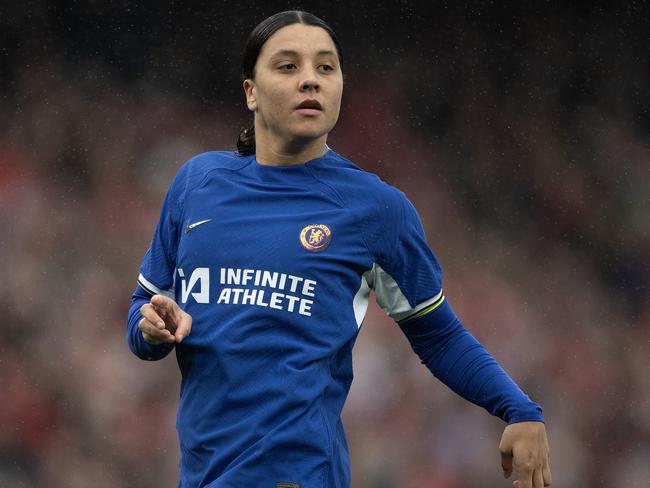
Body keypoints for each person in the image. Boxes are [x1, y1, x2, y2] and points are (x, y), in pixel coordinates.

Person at [126, 10, 552, 488]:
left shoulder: (376, 209)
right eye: (288, 66)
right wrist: (152, 330)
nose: (310, 80)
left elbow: (437, 335)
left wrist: (519, 409)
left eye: (325, 68)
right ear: (250, 91)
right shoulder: (197, 183)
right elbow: (143, 313)